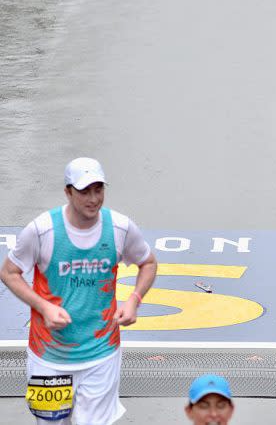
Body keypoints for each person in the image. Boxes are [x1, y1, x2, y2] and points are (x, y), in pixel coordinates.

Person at [0, 157, 158, 425]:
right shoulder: (42, 230)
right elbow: (9, 272)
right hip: (48, 357)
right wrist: (44, 307)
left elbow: (148, 262)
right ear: (68, 192)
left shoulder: (119, 227)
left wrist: (134, 300)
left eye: (99, 190)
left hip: (101, 353)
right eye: (85, 191)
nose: (93, 199)